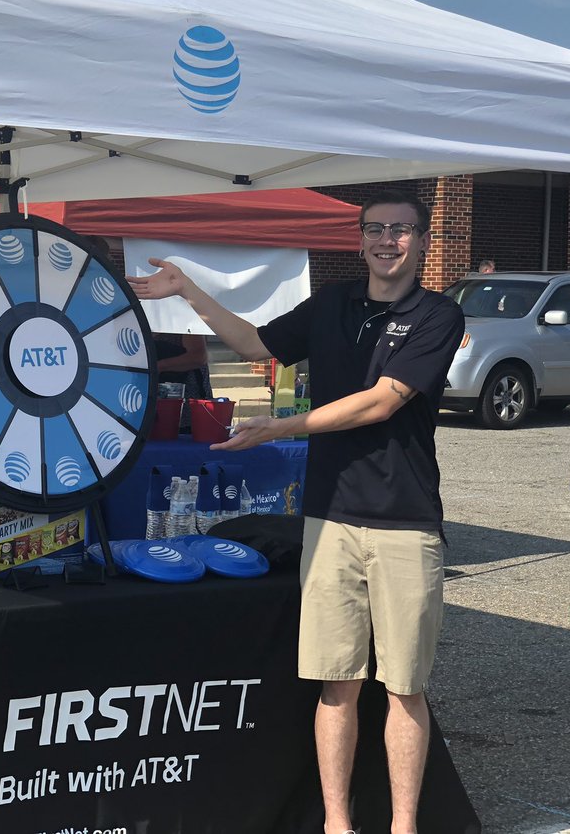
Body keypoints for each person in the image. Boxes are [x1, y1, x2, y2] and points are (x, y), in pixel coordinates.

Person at [127, 189, 464, 834]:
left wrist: (282, 426)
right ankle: (337, 824)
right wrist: (187, 290)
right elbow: (257, 344)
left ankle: (403, 826)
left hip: (405, 520)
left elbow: (381, 402)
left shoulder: (436, 315)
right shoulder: (335, 303)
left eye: (400, 230)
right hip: (329, 516)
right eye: (374, 229)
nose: (386, 241)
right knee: (335, 683)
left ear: (421, 241)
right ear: (359, 237)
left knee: (404, 687)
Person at [153, 332, 212, 430]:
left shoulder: (185, 324)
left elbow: (199, 357)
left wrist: (159, 366)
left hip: (187, 399)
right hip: (154, 403)